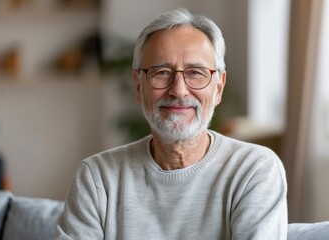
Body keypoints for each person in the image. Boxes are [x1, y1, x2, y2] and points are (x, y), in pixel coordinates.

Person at [54, 8, 287, 239]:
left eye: (196, 72)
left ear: (218, 87)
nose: (178, 90)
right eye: (162, 72)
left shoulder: (254, 170)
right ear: (138, 86)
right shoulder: (97, 178)